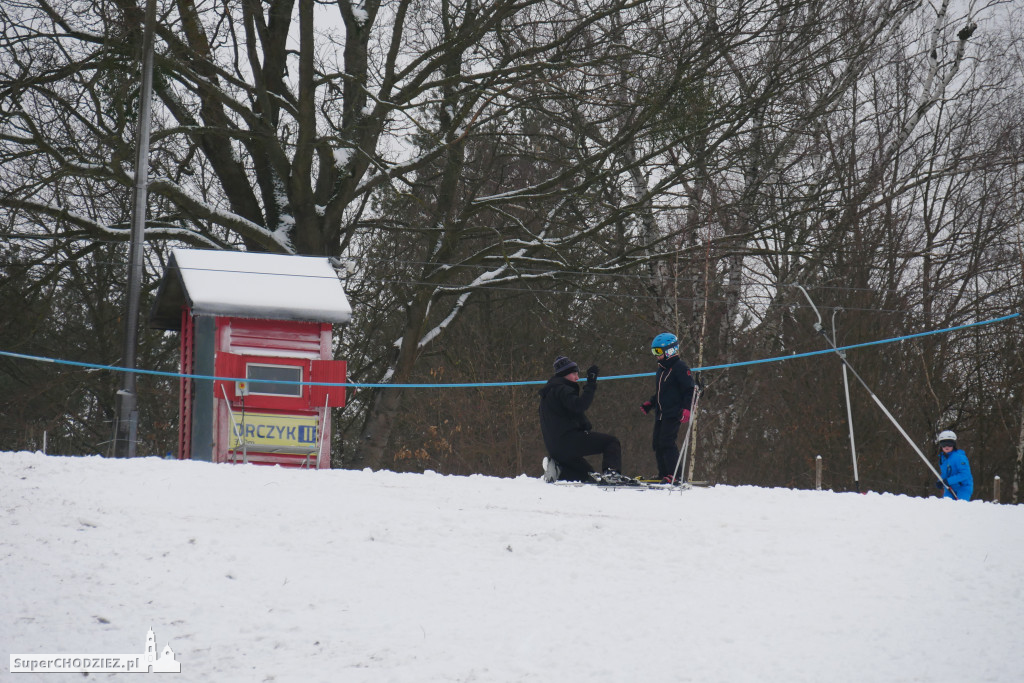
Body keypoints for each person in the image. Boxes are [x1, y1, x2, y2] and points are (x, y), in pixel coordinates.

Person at [538, 355, 629, 484]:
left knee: (588, 476)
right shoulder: (562, 389)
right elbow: (580, 405)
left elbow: (567, 414)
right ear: (564, 374)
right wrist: (591, 383)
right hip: (568, 441)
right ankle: (612, 473)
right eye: (574, 374)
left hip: (555, 448)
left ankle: (559, 470)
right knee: (611, 442)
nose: (577, 377)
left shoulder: (548, 393)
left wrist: (583, 425)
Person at [640, 333, 696, 483]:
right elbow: (661, 393)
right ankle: (663, 473)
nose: (656, 356)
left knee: (667, 442)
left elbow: (689, 389)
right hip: (660, 413)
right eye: (654, 352)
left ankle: (675, 475)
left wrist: (686, 409)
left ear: (670, 350)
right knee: (657, 443)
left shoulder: (680, 367)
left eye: (658, 352)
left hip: (673, 413)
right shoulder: (661, 370)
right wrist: (650, 403)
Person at [935, 430, 973, 501]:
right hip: (950, 487)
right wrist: (940, 481)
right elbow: (945, 473)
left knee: (960, 506)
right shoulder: (943, 458)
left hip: (963, 487)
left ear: (954, 444)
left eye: (949, 444)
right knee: (947, 505)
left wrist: (949, 481)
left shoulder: (959, 457)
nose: (946, 446)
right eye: (943, 444)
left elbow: (965, 474)